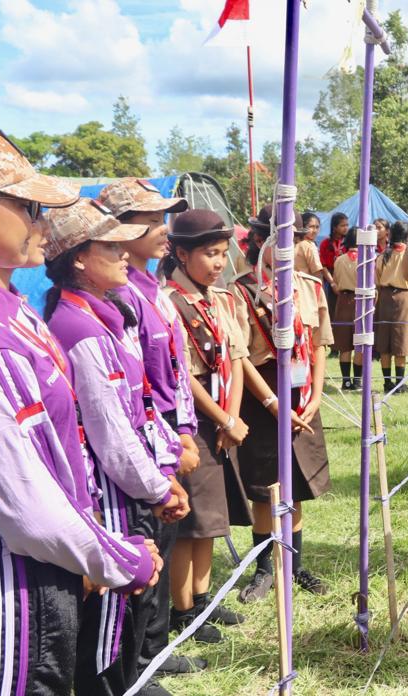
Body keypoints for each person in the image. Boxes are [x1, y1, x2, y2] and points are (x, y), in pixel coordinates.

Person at [0, 120, 160, 695]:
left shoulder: (7, 309)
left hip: (38, 561)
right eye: (27, 207)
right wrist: (120, 559)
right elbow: (25, 503)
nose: (42, 223)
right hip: (5, 573)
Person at [44, 198, 190, 696]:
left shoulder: (106, 315)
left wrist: (162, 466)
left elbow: (138, 406)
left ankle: (130, 679)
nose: (125, 252)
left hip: (126, 485)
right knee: (106, 617)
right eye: (111, 245)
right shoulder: (78, 326)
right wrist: (156, 488)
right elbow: (109, 432)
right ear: (79, 258)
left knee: (128, 609)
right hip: (107, 493)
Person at [98, 177, 208, 679]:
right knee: (150, 547)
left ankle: (153, 652)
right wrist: (173, 435)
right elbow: (139, 382)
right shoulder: (122, 295)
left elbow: (173, 368)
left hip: (166, 433)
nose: (164, 230)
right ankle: (141, 661)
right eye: (149, 220)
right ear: (117, 230)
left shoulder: (150, 290)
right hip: (149, 437)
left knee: (163, 542)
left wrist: (184, 428)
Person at [163, 210, 251, 643]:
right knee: (189, 523)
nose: (219, 263)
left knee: (212, 519)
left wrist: (232, 415)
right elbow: (183, 375)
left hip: (221, 419)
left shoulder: (219, 299)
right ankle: (182, 611)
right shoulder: (170, 301)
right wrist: (223, 419)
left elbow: (235, 355)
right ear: (181, 253)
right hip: (191, 421)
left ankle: (202, 600)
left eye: (222, 254)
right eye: (209, 254)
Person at [231, 240, 332, 602]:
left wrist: (317, 396)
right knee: (264, 486)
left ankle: (294, 564)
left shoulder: (309, 286)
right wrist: (272, 402)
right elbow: (239, 355)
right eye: (281, 236)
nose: (291, 245)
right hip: (263, 397)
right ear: (262, 245)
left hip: (302, 395)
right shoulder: (241, 291)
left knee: (296, 483)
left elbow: (320, 343)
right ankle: (263, 569)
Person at [376, 221, 408, 393]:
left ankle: (387, 382)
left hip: (385, 297)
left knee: (385, 342)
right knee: (401, 340)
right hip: (404, 297)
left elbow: (377, 278)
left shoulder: (383, 256)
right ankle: (399, 383)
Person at [332, 227, 363, 390]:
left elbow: (336, 281)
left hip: (343, 300)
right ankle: (357, 381)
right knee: (360, 343)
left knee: (344, 344)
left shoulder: (339, 259)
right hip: (361, 301)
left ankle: (346, 381)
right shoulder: (366, 259)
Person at [319, 213, 348, 321]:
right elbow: (323, 266)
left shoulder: (348, 243)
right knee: (331, 309)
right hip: (330, 278)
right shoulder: (325, 243)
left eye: (347, 225)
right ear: (334, 227)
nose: (346, 228)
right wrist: (332, 283)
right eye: (342, 225)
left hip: (345, 278)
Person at [295, 211, 324, 278]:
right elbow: (317, 273)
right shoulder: (309, 246)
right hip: (306, 286)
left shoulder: (294, 243)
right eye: (311, 227)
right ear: (303, 227)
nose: (315, 231)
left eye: (317, 227)